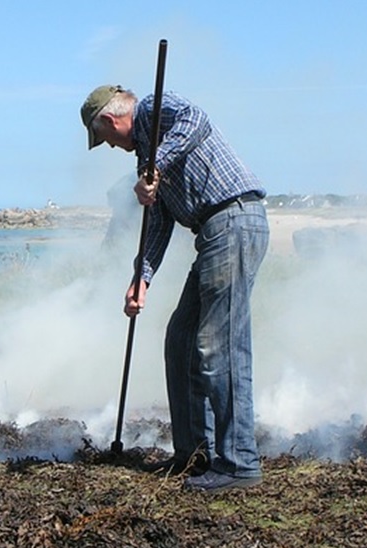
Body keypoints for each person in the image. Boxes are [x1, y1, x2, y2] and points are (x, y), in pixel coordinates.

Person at [81, 84, 270, 492]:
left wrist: (157, 165)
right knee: (180, 338)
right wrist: (141, 278)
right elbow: (160, 223)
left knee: (218, 344)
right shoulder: (145, 164)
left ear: (111, 121)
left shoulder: (152, 110)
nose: (112, 147)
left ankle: (239, 463)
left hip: (233, 221)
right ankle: (193, 454)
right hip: (213, 235)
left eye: (106, 139)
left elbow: (196, 120)